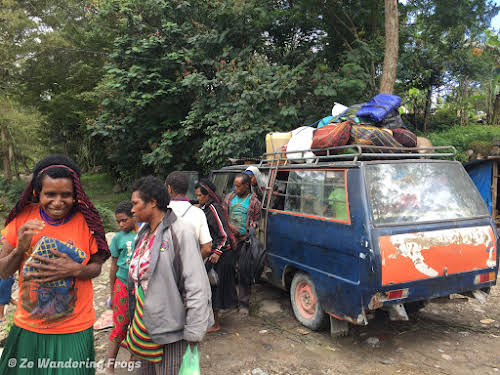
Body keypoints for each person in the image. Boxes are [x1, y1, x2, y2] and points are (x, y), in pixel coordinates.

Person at [0, 154, 110, 374]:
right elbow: (3, 271)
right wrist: (20, 248)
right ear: (37, 192)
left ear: (75, 194)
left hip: (74, 328)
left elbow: (97, 266)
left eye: (66, 195)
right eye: (50, 194)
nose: (58, 202)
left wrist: (78, 269)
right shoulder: (21, 220)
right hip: (29, 327)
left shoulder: (88, 223)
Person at [125, 176, 213, 375]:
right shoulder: (143, 233)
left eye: (135, 203)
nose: (132, 209)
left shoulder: (180, 231)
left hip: (173, 330)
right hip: (145, 325)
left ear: (153, 202)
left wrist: (194, 330)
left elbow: (196, 284)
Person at [195, 179, 238, 332]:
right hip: (214, 253)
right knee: (211, 287)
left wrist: (217, 252)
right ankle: (212, 320)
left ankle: (216, 324)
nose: (198, 198)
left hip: (221, 255)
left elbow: (223, 234)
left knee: (214, 288)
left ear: (208, 195)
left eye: (200, 195)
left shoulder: (213, 209)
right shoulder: (205, 208)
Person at [105, 201, 140, 374]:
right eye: (118, 221)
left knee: (138, 324)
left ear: (134, 216)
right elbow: (113, 267)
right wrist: (112, 292)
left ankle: (134, 358)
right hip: (122, 286)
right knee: (120, 325)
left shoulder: (145, 234)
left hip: (141, 287)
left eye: (124, 220)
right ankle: (109, 365)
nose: (121, 225)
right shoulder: (118, 238)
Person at [223, 173, 261, 316]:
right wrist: (231, 230)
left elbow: (257, 221)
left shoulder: (255, 202)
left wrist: (253, 225)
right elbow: (223, 216)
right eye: (235, 185)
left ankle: (244, 304)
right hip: (230, 239)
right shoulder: (229, 198)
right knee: (228, 270)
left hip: (245, 241)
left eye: (239, 186)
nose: (235, 188)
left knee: (245, 272)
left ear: (247, 186)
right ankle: (231, 300)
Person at [165, 171, 212, 259]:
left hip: (166, 270)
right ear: (186, 189)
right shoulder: (198, 213)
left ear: (169, 189)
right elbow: (207, 248)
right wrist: (194, 264)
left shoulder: (161, 213)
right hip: (191, 271)